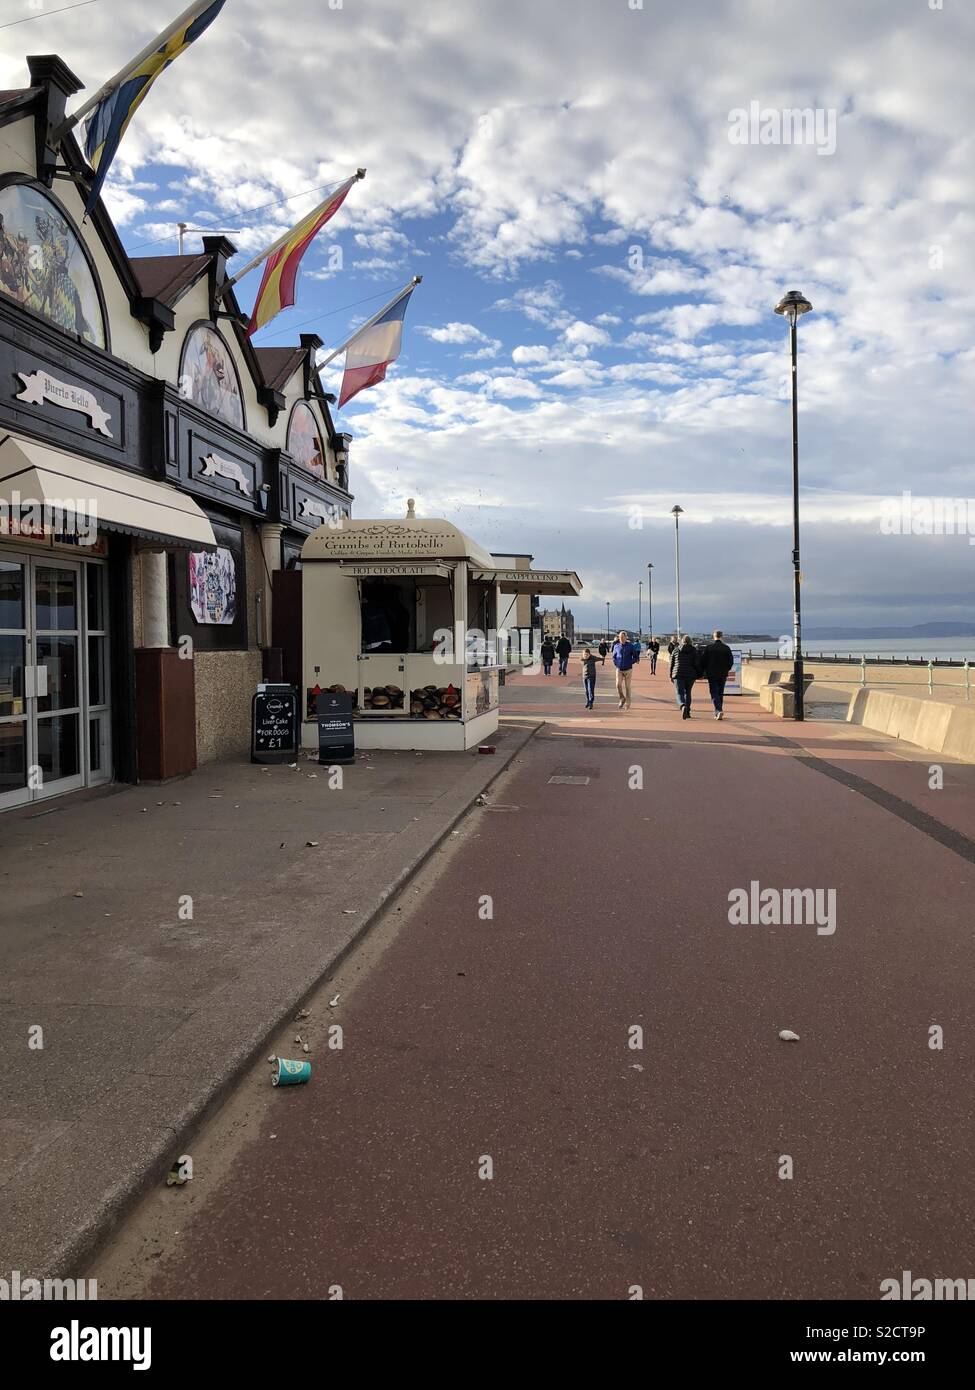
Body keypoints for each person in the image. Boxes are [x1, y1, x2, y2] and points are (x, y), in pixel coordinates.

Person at [701, 629, 735, 720]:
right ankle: (719, 710)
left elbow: (703, 661)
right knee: (720, 692)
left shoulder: (709, 648)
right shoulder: (726, 648)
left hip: (712, 673)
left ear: (714, 636)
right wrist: (727, 669)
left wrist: (704, 670)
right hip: (723, 673)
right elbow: (731, 661)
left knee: (714, 692)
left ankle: (718, 710)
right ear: (721, 636)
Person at [670, 633, 701, 719]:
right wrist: (699, 674)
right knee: (688, 692)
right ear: (690, 641)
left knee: (679, 692)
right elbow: (697, 664)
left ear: (682, 641)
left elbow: (671, 664)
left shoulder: (676, 650)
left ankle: (682, 706)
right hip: (690, 675)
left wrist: (670, 676)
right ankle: (687, 712)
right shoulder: (694, 650)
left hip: (678, 674)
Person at [612, 630, 640, 710]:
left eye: (623, 637)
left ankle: (628, 703)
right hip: (619, 669)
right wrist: (616, 663)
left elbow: (635, 656)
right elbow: (614, 657)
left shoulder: (630, 646)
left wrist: (630, 662)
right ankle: (622, 698)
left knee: (627, 687)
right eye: (620, 637)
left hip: (628, 669)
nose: (621, 638)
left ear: (626, 637)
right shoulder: (616, 646)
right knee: (618, 685)